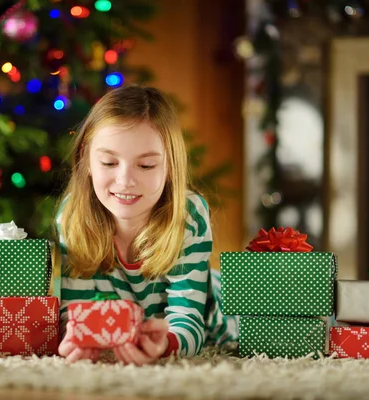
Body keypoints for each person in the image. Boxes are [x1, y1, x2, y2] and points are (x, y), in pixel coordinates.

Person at [55, 85, 238, 365]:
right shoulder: (72, 216)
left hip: (217, 318)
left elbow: (189, 322)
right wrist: (78, 335)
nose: (125, 180)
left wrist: (165, 344)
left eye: (146, 166)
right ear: (85, 158)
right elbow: (75, 309)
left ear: (169, 167)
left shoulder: (188, 215)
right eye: (109, 162)